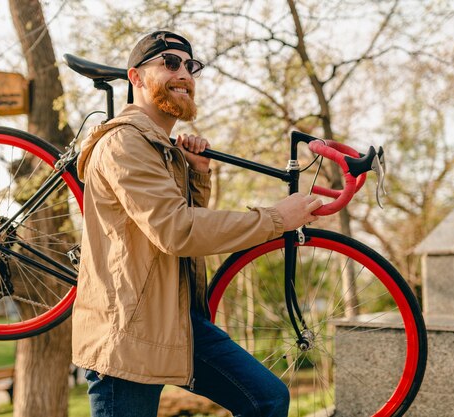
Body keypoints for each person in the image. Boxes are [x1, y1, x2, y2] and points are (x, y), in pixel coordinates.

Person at [71, 30, 323, 417]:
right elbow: (178, 231)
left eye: (191, 66)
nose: (185, 73)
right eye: (170, 63)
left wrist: (197, 177)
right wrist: (275, 219)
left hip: (179, 319)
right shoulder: (124, 143)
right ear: (135, 78)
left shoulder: (160, 148)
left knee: (268, 399)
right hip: (128, 331)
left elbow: (174, 229)